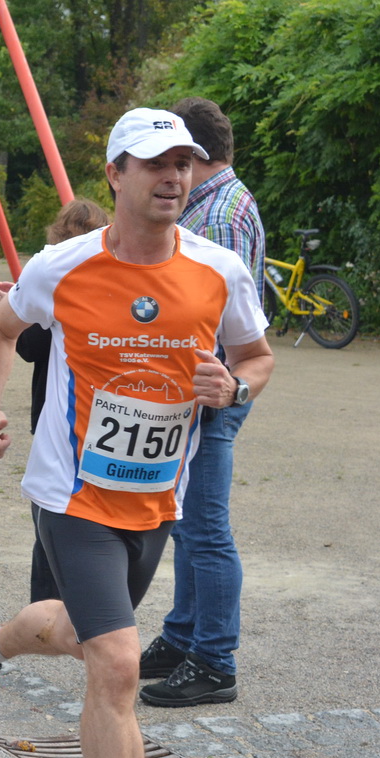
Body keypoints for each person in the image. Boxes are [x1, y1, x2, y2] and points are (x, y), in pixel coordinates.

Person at [0, 108, 273, 758]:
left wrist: (235, 387)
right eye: (153, 163)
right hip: (71, 494)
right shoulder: (62, 265)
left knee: (74, 634)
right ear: (115, 175)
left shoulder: (217, 271)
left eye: (184, 163)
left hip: (155, 497)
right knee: (120, 662)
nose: (172, 176)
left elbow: (256, 354)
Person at [139, 98, 267, 708]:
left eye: (176, 155)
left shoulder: (214, 219)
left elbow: (216, 321)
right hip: (208, 390)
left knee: (205, 530)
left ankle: (215, 660)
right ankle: (183, 634)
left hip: (205, 394)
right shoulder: (223, 202)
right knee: (189, 525)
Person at [0, 198, 111, 603]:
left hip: (62, 414)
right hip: (99, 418)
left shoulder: (62, 275)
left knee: (53, 522)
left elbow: (31, 346)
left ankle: (48, 610)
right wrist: (19, 303)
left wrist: (18, 310)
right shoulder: (108, 277)